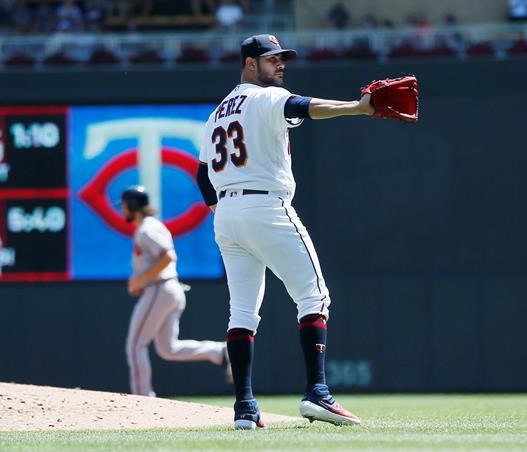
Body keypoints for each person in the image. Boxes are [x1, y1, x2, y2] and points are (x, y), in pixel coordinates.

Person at [195, 34, 373, 430]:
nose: (280, 65)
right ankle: (318, 392)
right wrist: (359, 108)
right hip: (265, 206)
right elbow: (305, 107)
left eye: (281, 59)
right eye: (270, 59)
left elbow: (202, 173)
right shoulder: (267, 98)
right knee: (314, 296)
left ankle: (244, 407)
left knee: (241, 312)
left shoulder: (218, 113)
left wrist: (227, 211)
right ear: (248, 64)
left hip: (227, 216)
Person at [121, 185, 232, 397]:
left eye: (125, 206)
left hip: (160, 289)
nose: (122, 210)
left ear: (132, 206)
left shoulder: (147, 228)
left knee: (135, 346)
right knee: (167, 349)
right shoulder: (149, 226)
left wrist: (140, 280)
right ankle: (219, 352)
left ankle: (142, 398)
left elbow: (168, 256)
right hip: (167, 289)